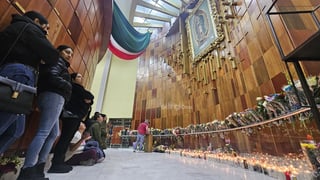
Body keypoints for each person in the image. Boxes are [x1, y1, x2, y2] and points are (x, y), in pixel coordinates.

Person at [0, 11, 59, 155]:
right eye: (46, 27)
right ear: (37, 21)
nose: (46, 31)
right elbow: (52, 55)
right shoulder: (29, 28)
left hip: (12, 72)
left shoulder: (16, 28)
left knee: (16, 130)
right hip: (19, 74)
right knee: (3, 123)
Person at [17, 45, 73, 180]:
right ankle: (28, 169)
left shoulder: (57, 62)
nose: (70, 55)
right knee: (44, 132)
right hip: (53, 95)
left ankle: (39, 168)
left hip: (50, 96)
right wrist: (68, 85)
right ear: (59, 52)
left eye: (71, 54)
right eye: (67, 52)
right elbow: (51, 76)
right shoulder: (56, 61)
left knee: (53, 133)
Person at [48, 72, 94, 173]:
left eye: (82, 76)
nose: (81, 78)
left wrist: (88, 99)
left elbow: (90, 98)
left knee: (66, 139)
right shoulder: (74, 87)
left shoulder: (78, 89)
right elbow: (89, 96)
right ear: (73, 79)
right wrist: (87, 99)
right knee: (64, 139)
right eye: (78, 76)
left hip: (74, 116)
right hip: (71, 116)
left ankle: (59, 161)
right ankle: (57, 163)